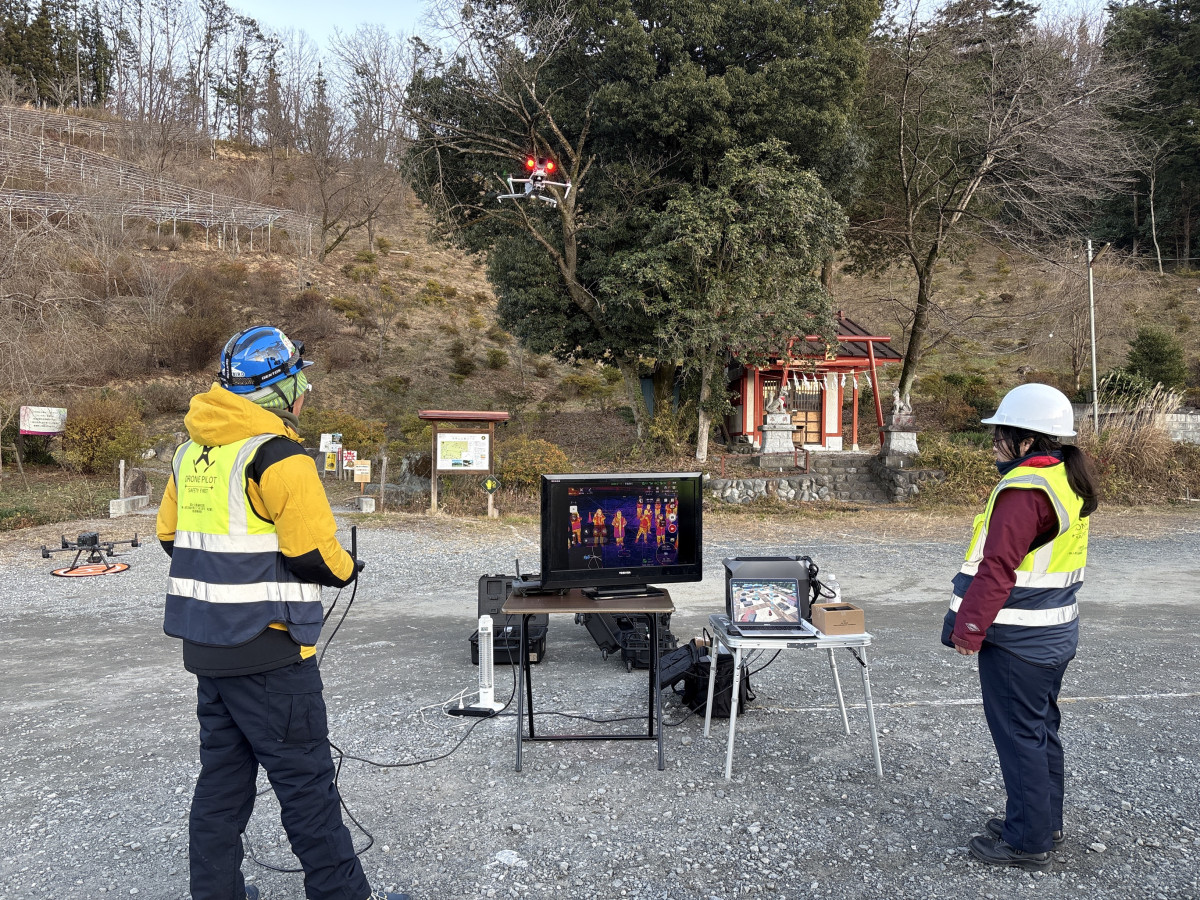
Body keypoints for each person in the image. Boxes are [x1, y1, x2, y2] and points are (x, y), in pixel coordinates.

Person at [156, 326, 408, 900]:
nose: (306, 388)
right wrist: (347, 568)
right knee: (307, 786)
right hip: (271, 649)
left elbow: (172, 538)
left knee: (222, 786)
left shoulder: (190, 453)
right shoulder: (278, 456)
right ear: (276, 388)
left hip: (208, 648)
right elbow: (313, 554)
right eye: (299, 377)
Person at [941, 383, 1099, 872]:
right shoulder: (1064, 478)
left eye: (1001, 434)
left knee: (1019, 737)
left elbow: (997, 568)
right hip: (1053, 631)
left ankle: (1028, 842)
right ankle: (1043, 822)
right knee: (1040, 730)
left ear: (1028, 440)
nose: (994, 443)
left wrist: (968, 630)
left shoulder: (1025, 490)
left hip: (1018, 639)